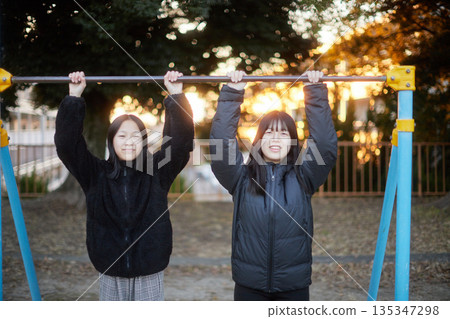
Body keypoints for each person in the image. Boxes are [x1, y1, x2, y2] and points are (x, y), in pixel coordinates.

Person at [54, 70, 194, 300]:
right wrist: (74, 98)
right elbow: (67, 146)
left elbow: (179, 145)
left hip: (150, 270)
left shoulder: (157, 171)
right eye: (122, 136)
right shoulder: (95, 174)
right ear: (111, 142)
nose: (129, 142)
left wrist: (176, 96)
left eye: (135, 136)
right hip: (110, 271)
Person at [210, 70, 337, 301]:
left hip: (293, 286)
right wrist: (232, 94)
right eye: (269, 132)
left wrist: (315, 93)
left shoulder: (304, 177)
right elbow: (221, 147)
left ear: (292, 142)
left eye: (283, 133)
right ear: (258, 140)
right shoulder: (241, 178)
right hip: (249, 285)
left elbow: (326, 146)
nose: (276, 138)